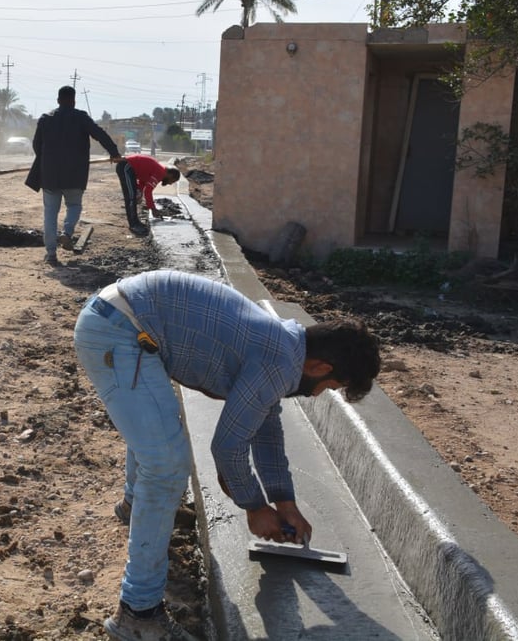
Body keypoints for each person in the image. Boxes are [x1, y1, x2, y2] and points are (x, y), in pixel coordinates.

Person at [73, 270, 380, 641]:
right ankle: (139, 613)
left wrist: (284, 502)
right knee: (167, 465)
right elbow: (228, 446)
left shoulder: (285, 343)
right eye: (330, 387)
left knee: (159, 430)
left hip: (120, 315)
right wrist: (254, 507)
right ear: (320, 368)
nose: (318, 394)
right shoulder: (278, 362)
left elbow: (265, 429)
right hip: (118, 330)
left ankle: (133, 505)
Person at [26, 85, 121, 266]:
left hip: (50, 176)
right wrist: (114, 152)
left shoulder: (46, 119)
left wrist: (46, 160)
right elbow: (100, 134)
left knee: (50, 215)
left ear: (58, 100)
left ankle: (51, 254)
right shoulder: (81, 117)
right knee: (75, 205)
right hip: (75, 174)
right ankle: (67, 233)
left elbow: (37, 145)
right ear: (74, 100)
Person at [115, 154, 180, 235]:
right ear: (170, 175)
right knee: (131, 197)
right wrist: (152, 208)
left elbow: (143, 181)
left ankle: (135, 222)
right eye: (172, 181)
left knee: (135, 196)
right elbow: (148, 191)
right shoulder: (160, 172)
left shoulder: (159, 170)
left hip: (128, 167)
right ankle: (134, 224)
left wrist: (139, 191)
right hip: (126, 167)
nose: (170, 184)